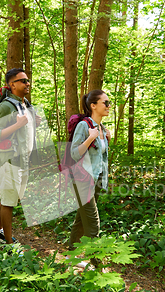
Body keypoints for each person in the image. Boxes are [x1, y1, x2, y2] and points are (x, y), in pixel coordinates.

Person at [0, 68, 41, 247]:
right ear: (12, 85)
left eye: (27, 80)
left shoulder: (25, 104)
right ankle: (8, 243)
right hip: (10, 160)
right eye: (23, 81)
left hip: (23, 160)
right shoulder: (6, 107)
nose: (28, 83)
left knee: (11, 197)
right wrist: (17, 125)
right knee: (9, 201)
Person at [67, 89, 111, 268]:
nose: (109, 106)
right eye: (105, 103)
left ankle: (71, 255)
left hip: (97, 180)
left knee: (81, 220)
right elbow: (73, 153)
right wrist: (89, 139)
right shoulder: (84, 126)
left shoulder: (102, 128)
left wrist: (105, 138)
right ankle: (98, 266)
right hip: (82, 180)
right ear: (93, 106)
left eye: (109, 103)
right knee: (93, 223)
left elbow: (99, 158)